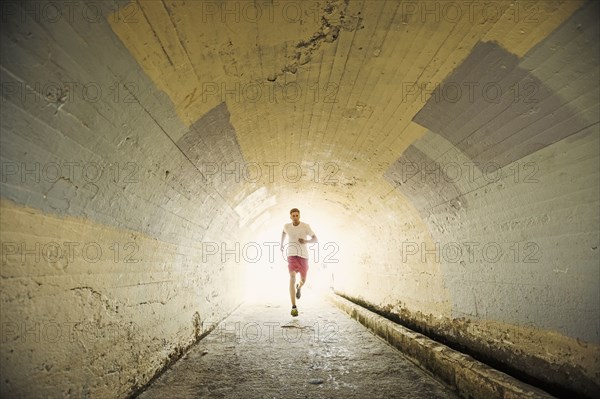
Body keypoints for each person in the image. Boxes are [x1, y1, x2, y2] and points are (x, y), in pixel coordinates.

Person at [280, 208, 318, 317]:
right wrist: (281, 244)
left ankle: (299, 287)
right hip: (291, 255)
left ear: (299, 216)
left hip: (304, 256)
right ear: (290, 217)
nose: (295, 217)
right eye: (293, 215)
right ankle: (294, 307)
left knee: (303, 280)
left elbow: (316, 239)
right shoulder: (287, 226)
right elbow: (283, 232)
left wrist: (306, 241)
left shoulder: (306, 226)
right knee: (292, 277)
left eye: (297, 215)